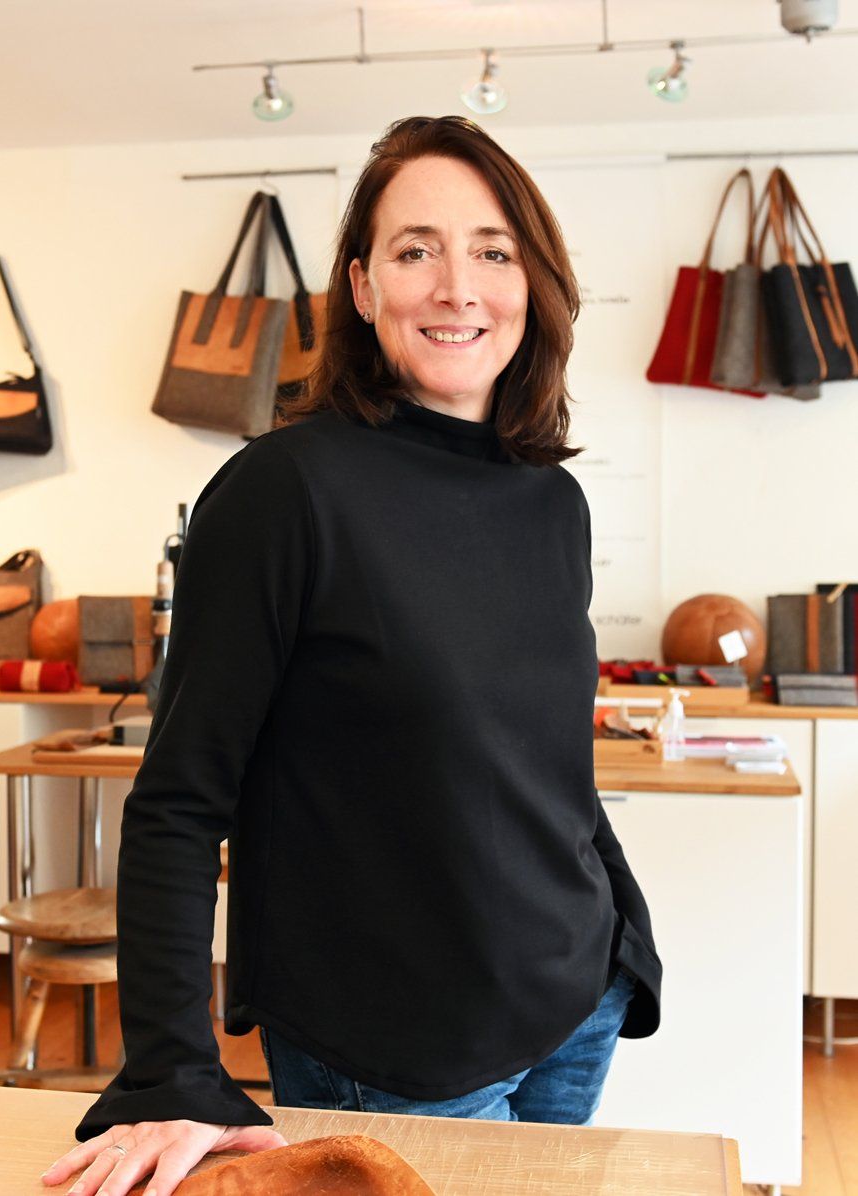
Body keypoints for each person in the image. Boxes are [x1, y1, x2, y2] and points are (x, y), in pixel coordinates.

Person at [43, 115, 661, 1196]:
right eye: (417, 250)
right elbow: (179, 803)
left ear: (533, 283)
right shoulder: (283, 492)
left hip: (573, 1006)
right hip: (396, 1053)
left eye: (493, 250)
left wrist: (622, 935)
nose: (458, 286)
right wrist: (173, 1070)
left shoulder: (551, 500)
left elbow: (540, 760)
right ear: (364, 290)